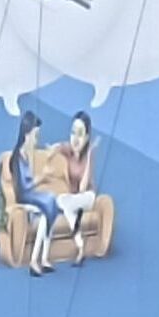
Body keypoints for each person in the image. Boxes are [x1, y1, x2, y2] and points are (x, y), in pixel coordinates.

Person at [9, 110, 60, 276]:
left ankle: (43, 258)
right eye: (35, 135)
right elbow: (24, 186)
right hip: (23, 197)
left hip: (30, 194)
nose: (37, 139)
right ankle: (33, 261)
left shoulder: (25, 155)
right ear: (27, 133)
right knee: (48, 201)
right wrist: (42, 177)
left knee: (50, 204)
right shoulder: (17, 157)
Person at [54, 112, 99, 263]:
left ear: (86, 137)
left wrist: (89, 155)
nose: (75, 138)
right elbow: (53, 149)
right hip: (72, 199)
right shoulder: (67, 150)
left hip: (87, 197)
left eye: (80, 134)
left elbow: (82, 188)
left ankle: (80, 245)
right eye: (73, 132)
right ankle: (81, 245)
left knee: (64, 202)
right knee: (64, 203)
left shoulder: (88, 155)